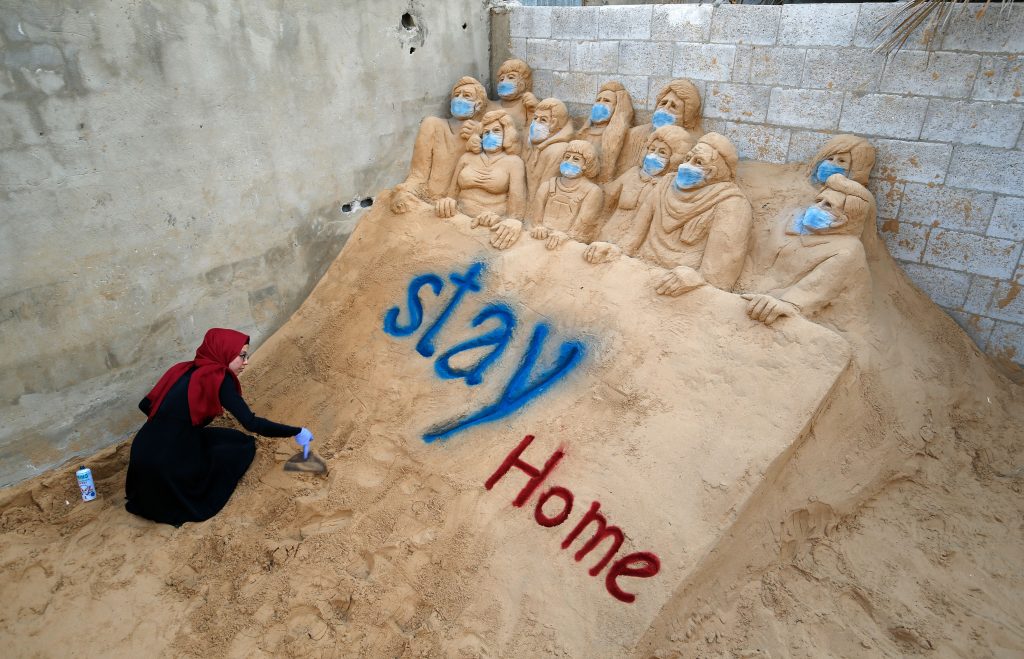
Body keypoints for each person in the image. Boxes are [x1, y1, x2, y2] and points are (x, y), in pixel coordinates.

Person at [125, 328, 310, 526]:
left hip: (141, 454)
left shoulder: (182, 369)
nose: (246, 362)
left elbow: (145, 405)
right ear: (224, 353)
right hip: (168, 464)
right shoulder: (218, 377)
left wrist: (175, 423)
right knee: (241, 446)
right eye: (241, 356)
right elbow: (252, 423)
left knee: (225, 438)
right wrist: (297, 431)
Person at [738, 174, 874, 330]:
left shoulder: (848, 250)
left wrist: (788, 303)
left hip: (810, 320)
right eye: (818, 200)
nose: (817, 207)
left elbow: (816, 288)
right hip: (755, 291)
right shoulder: (792, 218)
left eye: (828, 205)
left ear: (841, 220)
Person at [390, 76, 489, 214]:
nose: (459, 99)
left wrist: (480, 134)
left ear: (478, 105)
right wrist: (408, 190)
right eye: (456, 95)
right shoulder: (433, 124)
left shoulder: (484, 131)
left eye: (467, 96)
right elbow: (418, 174)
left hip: (462, 202)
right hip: (428, 199)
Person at [436, 109, 528, 250]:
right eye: (486, 132)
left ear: (506, 134)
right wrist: (447, 202)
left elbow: (516, 206)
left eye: (496, 130)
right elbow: (452, 193)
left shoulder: (514, 162)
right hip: (459, 218)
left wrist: (504, 219)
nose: (490, 135)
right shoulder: (466, 158)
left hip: (491, 223)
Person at [616, 79, 702, 179]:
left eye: (673, 106)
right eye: (663, 103)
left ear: (686, 116)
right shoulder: (635, 134)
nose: (665, 108)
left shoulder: (694, 143)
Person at [528, 140, 604, 250]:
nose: (569, 161)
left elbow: (582, 226)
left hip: (567, 245)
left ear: (586, 165)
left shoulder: (592, 191)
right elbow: (536, 218)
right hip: (541, 239)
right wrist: (538, 227)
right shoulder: (547, 186)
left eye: (576, 159)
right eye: (567, 157)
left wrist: (567, 236)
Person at [575, 81, 634, 184]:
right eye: (598, 100)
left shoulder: (621, 136)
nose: (600, 103)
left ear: (617, 107)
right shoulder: (583, 132)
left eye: (606, 101)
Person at [523, 97, 575, 200]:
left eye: (543, 120)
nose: (536, 123)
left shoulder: (558, 150)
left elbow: (544, 189)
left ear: (554, 123)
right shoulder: (531, 143)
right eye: (535, 118)